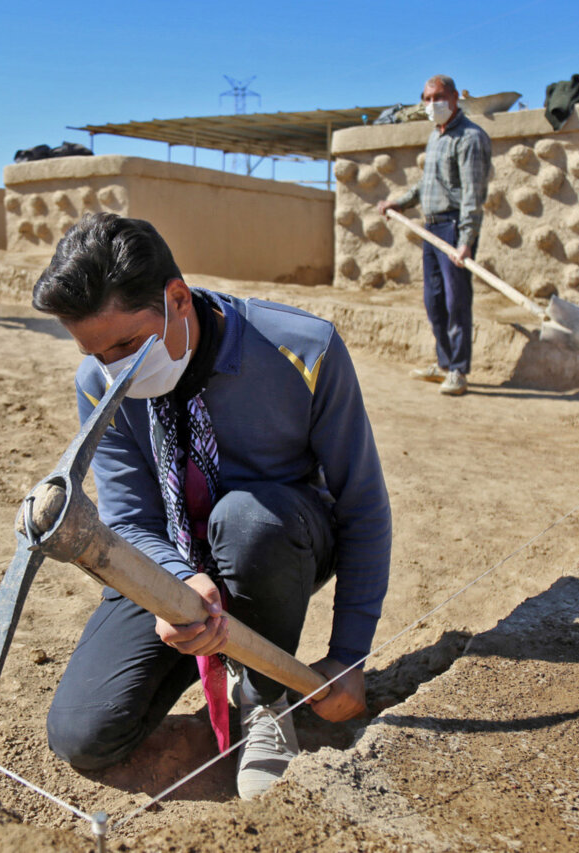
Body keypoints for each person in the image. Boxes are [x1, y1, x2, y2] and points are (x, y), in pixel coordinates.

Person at [33, 213, 391, 799]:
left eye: (127, 344)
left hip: (279, 540)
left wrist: (350, 653)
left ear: (177, 298)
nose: (115, 369)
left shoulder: (304, 349)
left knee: (247, 522)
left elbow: (363, 505)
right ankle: (210, 710)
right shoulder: (96, 383)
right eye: (96, 352)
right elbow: (129, 521)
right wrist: (175, 584)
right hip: (172, 561)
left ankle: (263, 704)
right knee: (84, 734)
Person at [377, 75, 490, 396]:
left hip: (454, 228)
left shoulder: (470, 138)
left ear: (454, 97)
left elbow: (472, 195)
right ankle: (443, 363)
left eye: (438, 97)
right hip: (431, 227)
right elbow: (426, 185)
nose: (431, 104)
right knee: (434, 300)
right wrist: (397, 202)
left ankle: (458, 370)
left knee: (457, 302)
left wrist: (466, 240)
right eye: (426, 98)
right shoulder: (436, 137)